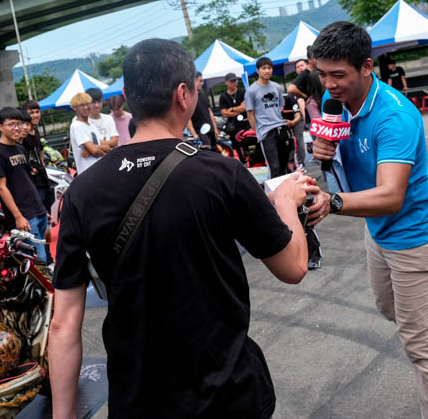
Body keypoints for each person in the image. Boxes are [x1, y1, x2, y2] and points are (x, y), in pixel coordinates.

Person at [49, 38, 322, 418]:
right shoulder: (220, 173)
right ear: (184, 95)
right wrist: (286, 203)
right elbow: (292, 268)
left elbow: (63, 325)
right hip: (227, 393)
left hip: (139, 399)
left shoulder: (81, 193)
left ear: (128, 96)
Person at [309, 21, 428, 419]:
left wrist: (332, 202)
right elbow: (348, 175)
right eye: (321, 74)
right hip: (378, 234)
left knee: (419, 343)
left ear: (366, 66)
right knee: (390, 309)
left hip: (417, 236)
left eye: (338, 75)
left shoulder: (393, 116)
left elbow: (390, 195)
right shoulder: (339, 108)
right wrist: (324, 155)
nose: (328, 84)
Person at [0, 108, 49, 261]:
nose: (17, 128)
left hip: (38, 211)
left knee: (47, 257)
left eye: (19, 124)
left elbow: (27, 180)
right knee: (37, 261)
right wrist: (18, 216)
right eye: (11, 124)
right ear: (0, 127)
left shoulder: (20, 148)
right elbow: (1, 187)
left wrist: (42, 208)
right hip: (24, 216)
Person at [246, 57, 289, 178]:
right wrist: (259, 132)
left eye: (269, 68)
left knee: (283, 165)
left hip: (281, 129)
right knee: (274, 167)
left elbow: (280, 108)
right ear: (257, 70)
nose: (267, 71)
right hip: (266, 133)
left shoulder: (276, 87)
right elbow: (250, 115)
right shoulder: (251, 91)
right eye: (263, 68)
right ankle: (273, 195)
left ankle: (286, 194)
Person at [21, 100, 52, 210]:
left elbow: (41, 148)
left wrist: (42, 162)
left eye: (37, 112)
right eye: (31, 112)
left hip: (42, 176)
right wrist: (28, 169)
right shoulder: (22, 134)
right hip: (32, 181)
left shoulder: (35, 131)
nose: (35, 115)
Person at [68, 92, 106, 175]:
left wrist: (95, 147)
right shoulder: (77, 126)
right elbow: (95, 151)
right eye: (82, 105)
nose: (86, 107)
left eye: (87, 104)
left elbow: (106, 146)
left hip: (100, 171)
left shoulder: (91, 125)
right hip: (88, 174)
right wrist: (105, 154)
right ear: (75, 108)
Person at [218, 72, 250, 160]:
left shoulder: (243, 92)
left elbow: (245, 107)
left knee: (248, 145)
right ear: (226, 82)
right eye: (231, 81)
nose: (234, 83)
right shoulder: (223, 96)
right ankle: (243, 163)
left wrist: (231, 109)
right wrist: (238, 110)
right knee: (238, 148)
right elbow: (224, 113)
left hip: (245, 124)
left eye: (235, 81)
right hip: (233, 127)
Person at [289, 46, 325, 122]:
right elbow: (291, 89)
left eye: (301, 66)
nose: (300, 68)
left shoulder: (321, 70)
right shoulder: (305, 74)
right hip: (314, 114)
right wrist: (304, 96)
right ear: (309, 60)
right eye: (297, 67)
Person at [186, 73, 219, 149]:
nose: (202, 83)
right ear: (193, 81)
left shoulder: (203, 94)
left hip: (211, 130)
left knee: (215, 152)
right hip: (200, 133)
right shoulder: (188, 98)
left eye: (202, 81)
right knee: (208, 155)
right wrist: (194, 134)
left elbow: (209, 111)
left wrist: (215, 128)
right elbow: (188, 118)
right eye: (200, 81)